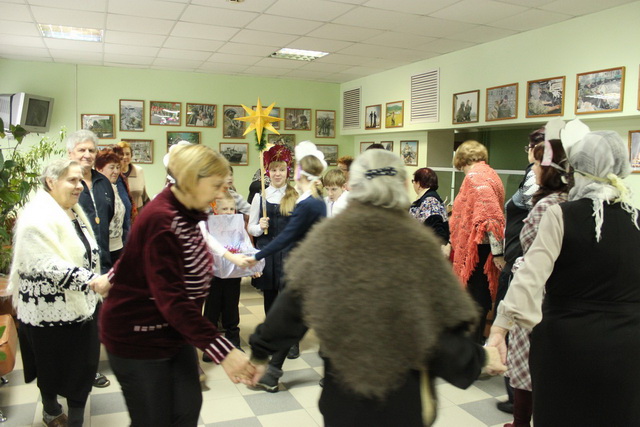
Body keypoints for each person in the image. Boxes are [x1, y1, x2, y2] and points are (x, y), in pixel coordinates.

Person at [243, 149, 506, 426]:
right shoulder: (418, 247)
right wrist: (477, 358)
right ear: (402, 185)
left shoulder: (326, 242)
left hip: (342, 395)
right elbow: (434, 334)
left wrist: (260, 354)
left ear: (352, 186)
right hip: (400, 398)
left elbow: (290, 310)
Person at [487, 128, 640, 425]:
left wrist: (499, 330)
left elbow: (529, 277)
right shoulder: (636, 218)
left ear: (577, 168)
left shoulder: (560, 214)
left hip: (566, 343)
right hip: (628, 345)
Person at [97, 145, 253, 427]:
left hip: (173, 330)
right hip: (138, 337)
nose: (222, 192)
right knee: (155, 419)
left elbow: (136, 256)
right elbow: (172, 300)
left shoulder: (187, 212)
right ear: (193, 180)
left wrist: (111, 277)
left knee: (186, 409)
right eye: (216, 185)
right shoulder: (164, 219)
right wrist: (225, 351)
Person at [8, 159, 110, 427]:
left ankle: (75, 420)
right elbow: (47, 264)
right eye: (72, 180)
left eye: (81, 180)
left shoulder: (73, 210)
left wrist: (95, 281)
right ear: (51, 182)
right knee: (50, 370)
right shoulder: (36, 217)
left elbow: (88, 252)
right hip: (48, 314)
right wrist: (93, 281)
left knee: (82, 369)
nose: (79, 186)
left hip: (83, 306)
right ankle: (51, 410)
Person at [248, 140, 328, 392]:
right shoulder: (314, 200)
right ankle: (272, 371)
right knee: (298, 319)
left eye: (289, 170)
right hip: (308, 268)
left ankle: (270, 366)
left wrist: (258, 255)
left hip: (307, 269)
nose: (285, 174)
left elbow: (288, 236)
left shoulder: (309, 203)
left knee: (303, 320)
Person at [502, 136, 569, 427]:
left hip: (536, 289)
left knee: (525, 363)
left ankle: (520, 422)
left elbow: (530, 248)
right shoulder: (573, 200)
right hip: (560, 293)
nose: (534, 168)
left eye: (538, 162)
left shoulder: (547, 206)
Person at [495, 129, 541, 415]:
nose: (528, 152)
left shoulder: (540, 187)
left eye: (530, 148)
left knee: (516, 331)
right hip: (516, 260)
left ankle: (519, 398)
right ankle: (518, 396)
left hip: (522, 266)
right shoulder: (530, 175)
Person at [66, 129, 113, 388]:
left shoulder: (103, 181)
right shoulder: (64, 181)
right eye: (81, 150)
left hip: (101, 259)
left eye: (91, 150)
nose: (87, 154)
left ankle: (90, 368)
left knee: (95, 318)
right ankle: (75, 370)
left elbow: (109, 217)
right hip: (75, 263)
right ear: (70, 153)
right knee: (77, 320)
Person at [449, 140, 505, 344]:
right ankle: (475, 345)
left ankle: (472, 349)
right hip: (483, 248)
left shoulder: (475, 178)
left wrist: (498, 253)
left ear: (460, 160)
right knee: (480, 298)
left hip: (477, 250)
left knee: (476, 300)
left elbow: (491, 217)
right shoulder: (491, 174)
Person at [247, 144, 297, 315]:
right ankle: (270, 329)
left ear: (287, 171)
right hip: (267, 253)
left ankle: (288, 332)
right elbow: (251, 229)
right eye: (274, 170)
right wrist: (260, 227)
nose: (277, 174)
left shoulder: (295, 195)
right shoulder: (260, 197)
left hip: (289, 253)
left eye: (281, 170)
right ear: (267, 172)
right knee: (270, 296)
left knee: (288, 296)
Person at [203, 192, 244, 356]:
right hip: (213, 274)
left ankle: (234, 341)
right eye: (224, 209)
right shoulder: (209, 225)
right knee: (211, 309)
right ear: (216, 210)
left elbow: (245, 245)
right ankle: (210, 346)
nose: (228, 212)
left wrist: (253, 265)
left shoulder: (238, 225)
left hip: (233, 273)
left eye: (231, 209)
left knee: (231, 307)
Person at [95, 149, 128, 263]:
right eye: (112, 167)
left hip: (118, 246)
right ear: (99, 169)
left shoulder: (115, 188)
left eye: (118, 167)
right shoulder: (97, 190)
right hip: (104, 249)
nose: (116, 171)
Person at [409, 167, 449, 244]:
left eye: (413, 181)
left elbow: (437, 233)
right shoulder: (429, 198)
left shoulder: (430, 201)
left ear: (419, 184)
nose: (413, 184)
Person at [117, 140, 149, 211]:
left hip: (138, 213)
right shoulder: (114, 173)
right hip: (120, 214)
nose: (125, 157)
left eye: (127, 154)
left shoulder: (139, 171)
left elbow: (144, 196)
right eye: (121, 154)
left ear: (131, 155)